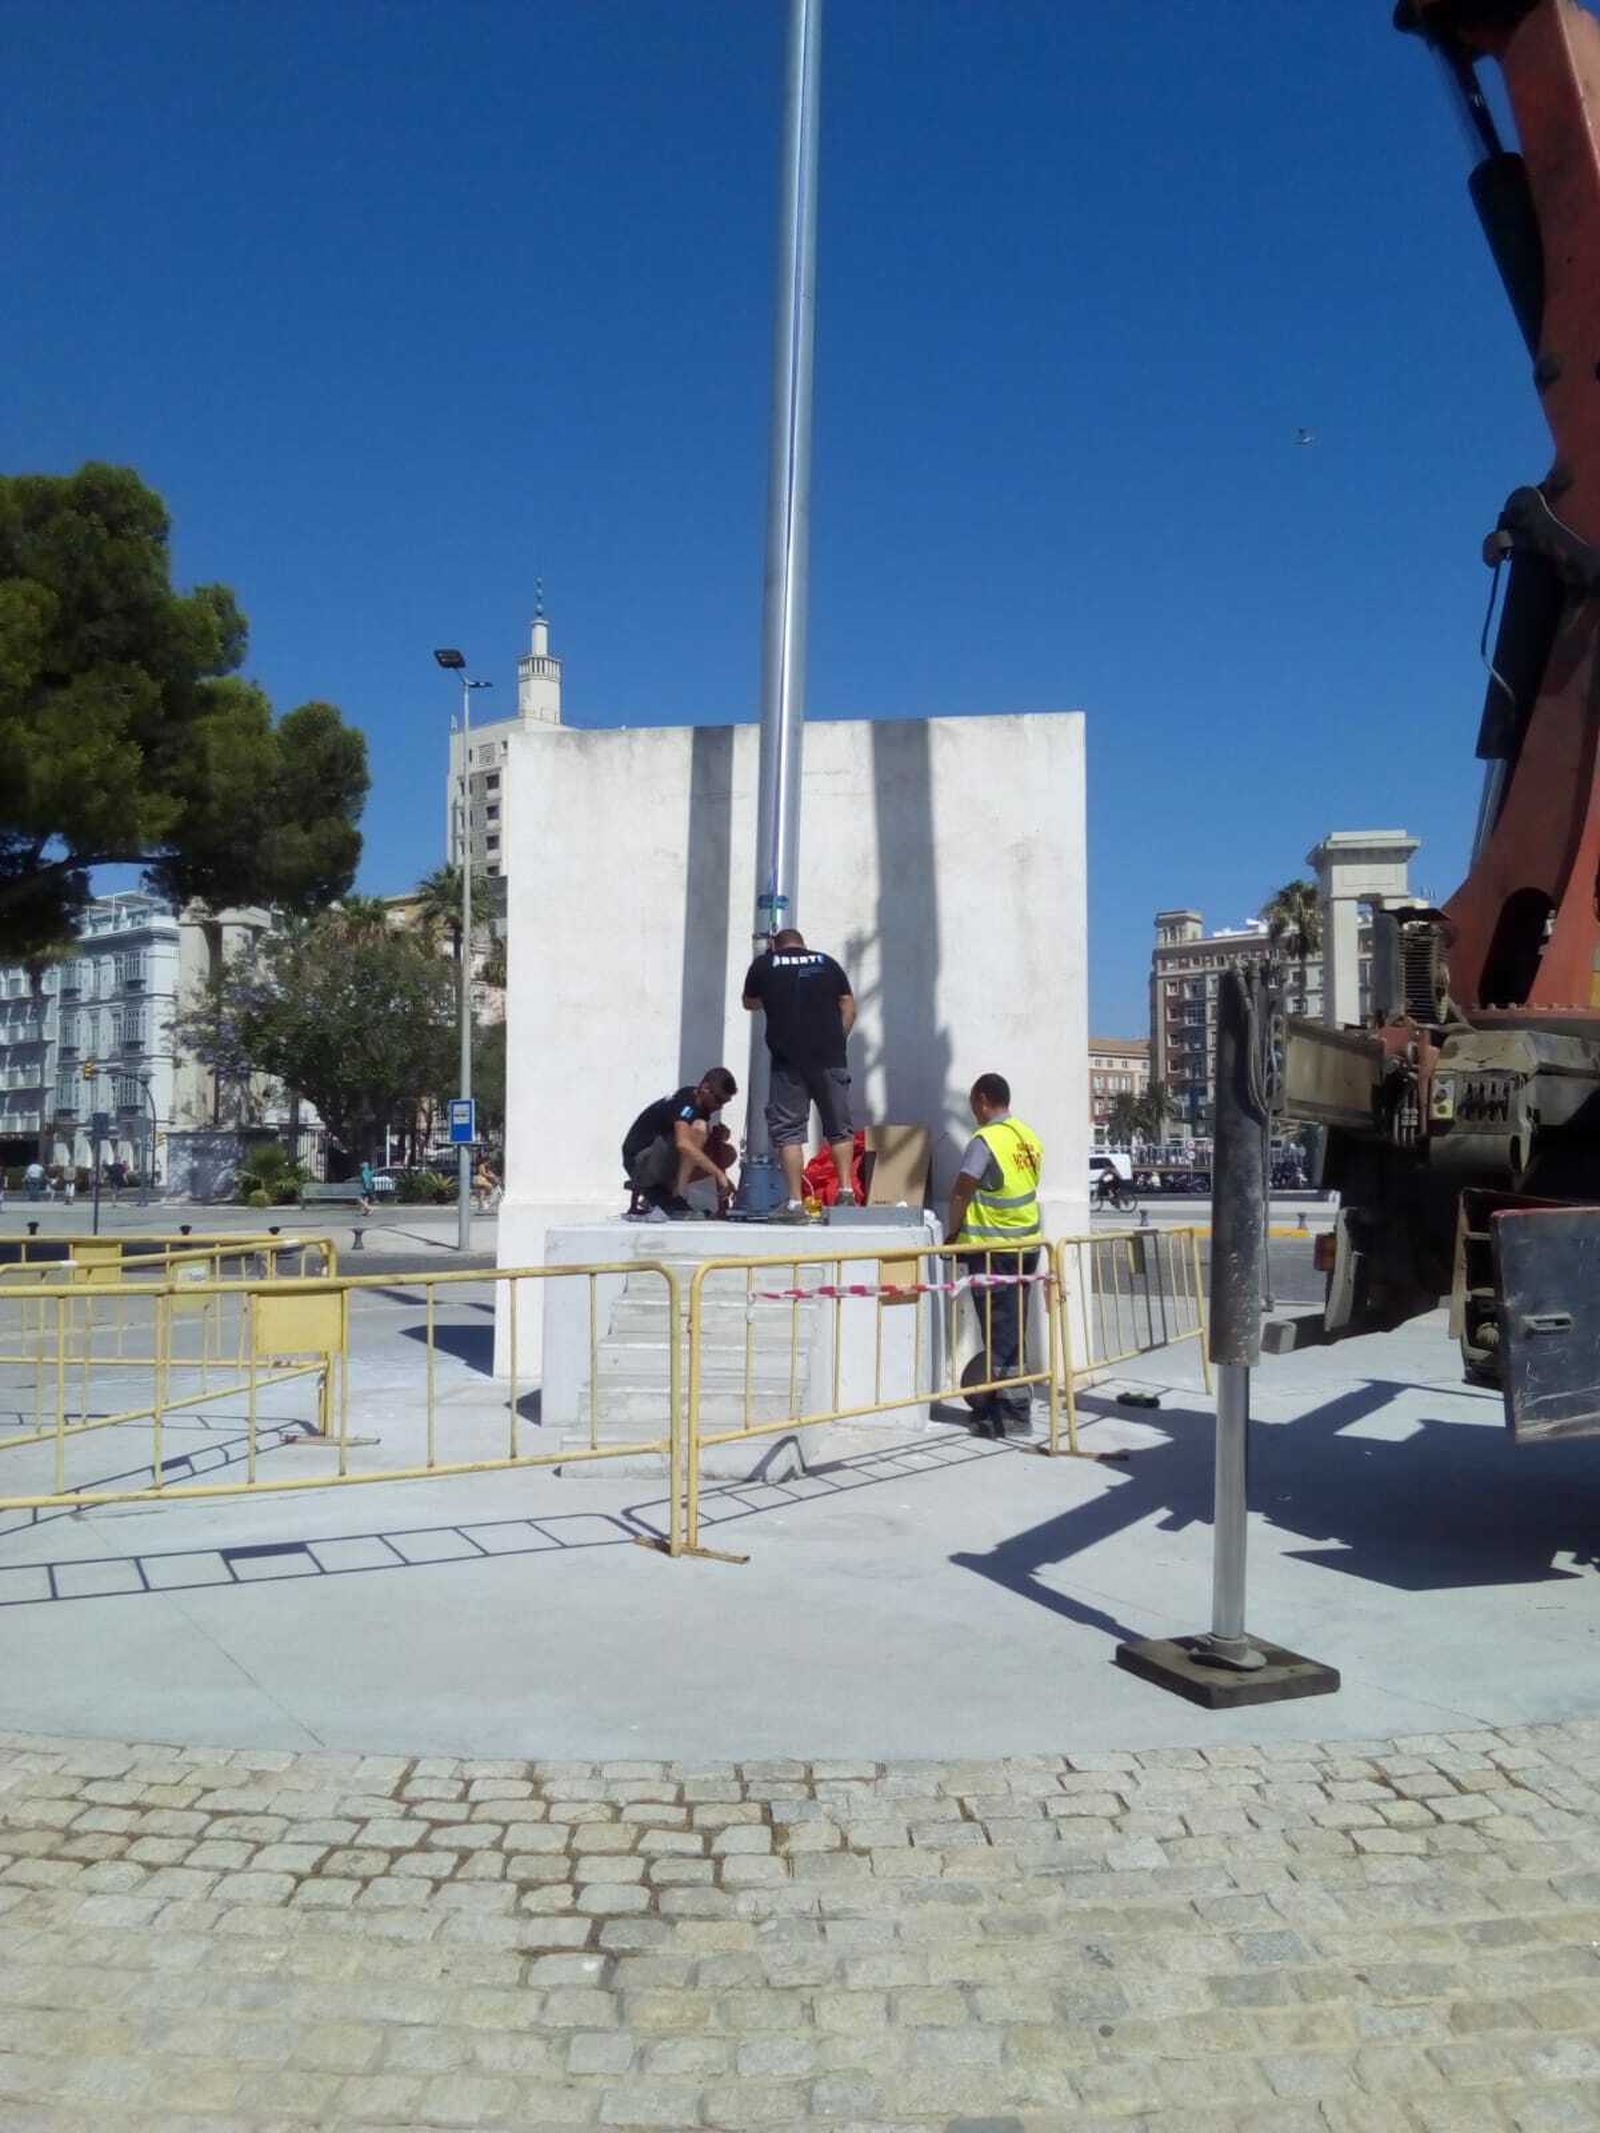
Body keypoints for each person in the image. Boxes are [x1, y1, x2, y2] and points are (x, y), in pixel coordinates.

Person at [946, 1073, 1044, 1439]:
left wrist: (952, 1235)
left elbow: (961, 1192)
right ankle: (1002, 1401)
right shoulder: (1027, 1137)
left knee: (1002, 1332)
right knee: (1012, 1331)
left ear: (984, 1099)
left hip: (994, 1250)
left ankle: (1014, 1414)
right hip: (1027, 1247)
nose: (972, 1111)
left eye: (973, 1103)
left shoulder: (985, 1140)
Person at [742, 928, 857, 1219]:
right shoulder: (827, 962)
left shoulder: (765, 965)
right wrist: (837, 1039)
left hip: (788, 1061)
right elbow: (848, 1005)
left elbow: (750, 1002)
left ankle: (795, 1202)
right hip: (831, 1058)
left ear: (774, 946)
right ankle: (846, 1193)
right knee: (839, 1127)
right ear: (804, 945)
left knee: (789, 1132)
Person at [622, 1068, 739, 1218]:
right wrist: (719, 1175)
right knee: (699, 1129)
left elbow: (697, 1144)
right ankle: (678, 1193)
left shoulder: (701, 1104)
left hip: (657, 1159)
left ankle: (669, 1191)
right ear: (706, 1088)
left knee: (727, 1153)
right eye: (719, 1100)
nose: (720, 1106)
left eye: (725, 1102)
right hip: (639, 1162)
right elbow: (683, 1143)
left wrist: (719, 1137)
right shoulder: (686, 1102)